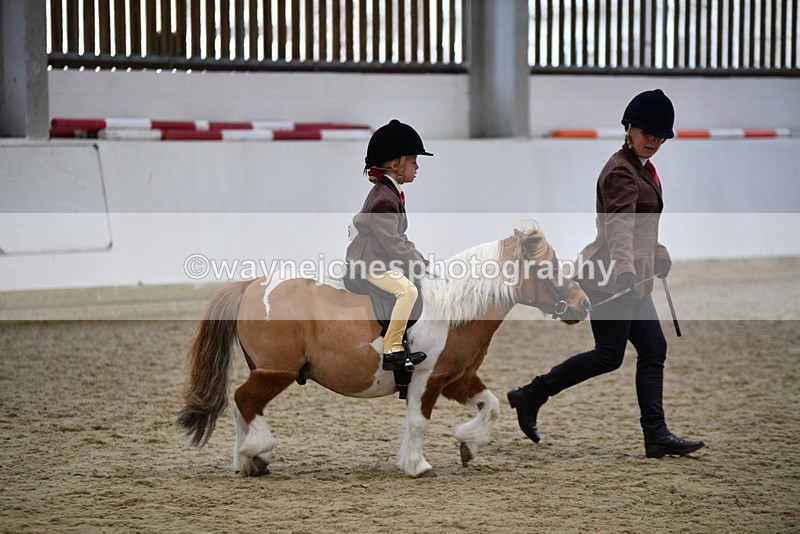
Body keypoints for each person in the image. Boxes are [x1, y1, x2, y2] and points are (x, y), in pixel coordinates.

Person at [507, 89, 705, 458]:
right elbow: (618, 227)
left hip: (634, 275)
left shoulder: (643, 169)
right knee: (608, 355)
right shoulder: (620, 172)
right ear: (629, 129)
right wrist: (627, 269)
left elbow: (643, 225)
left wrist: (658, 254)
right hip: (609, 275)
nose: (654, 142)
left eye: (661, 137)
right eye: (648, 133)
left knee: (651, 349)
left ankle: (656, 435)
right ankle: (530, 394)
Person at [346, 119, 432, 372]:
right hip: (370, 262)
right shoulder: (384, 199)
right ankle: (393, 349)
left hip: (377, 258)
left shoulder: (389, 192)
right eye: (414, 161)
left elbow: (401, 239)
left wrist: (422, 262)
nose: (418, 167)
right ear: (396, 165)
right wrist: (418, 266)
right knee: (407, 291)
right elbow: (393, 243)